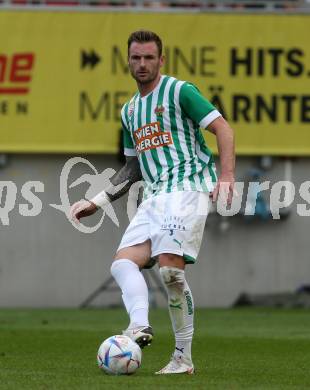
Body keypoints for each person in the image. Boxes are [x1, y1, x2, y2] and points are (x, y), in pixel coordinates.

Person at [70, 30, 235, 375]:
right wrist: (96, 201)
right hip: (156, 195)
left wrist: (227, 176)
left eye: (148, 57)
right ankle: (139, 326)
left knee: (170, 269)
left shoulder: (180, 91)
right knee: (122, 264)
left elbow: (223, 129)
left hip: (188, 186)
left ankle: (182, 358)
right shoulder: (129, 111)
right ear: (127, 61)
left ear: (161, 60)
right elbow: (133, 167)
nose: (142, 63)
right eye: (136, 58)